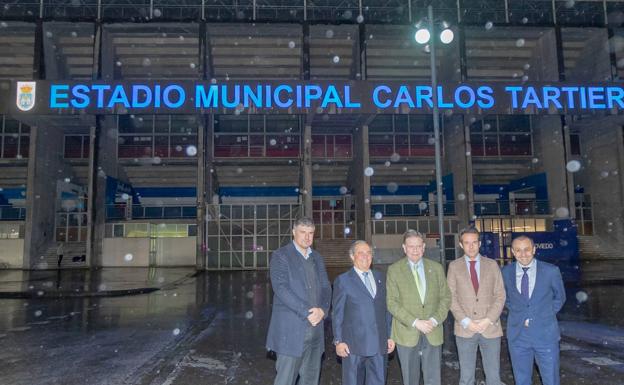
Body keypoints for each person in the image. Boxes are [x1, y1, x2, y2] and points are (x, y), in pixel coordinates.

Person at [266, 217, 331, 385]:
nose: (307, 237)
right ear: (293, 232)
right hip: (291, 332)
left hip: (316, 332)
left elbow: (326, 287)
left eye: (311, 233)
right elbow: (281, 289)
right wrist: (307, 312)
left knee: (310, 379)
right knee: (285, 380)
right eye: (303, 232)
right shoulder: (281, 256)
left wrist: (323, 310)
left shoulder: (317, 258)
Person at [386, 230, 451, 385]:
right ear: (404, 248)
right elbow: (392, 303)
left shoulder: (436, 268)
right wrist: (416, 322)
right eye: (410, 246)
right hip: (406, 332)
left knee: (433, 379)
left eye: (418, 246)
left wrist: (434, 320)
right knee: (410, 380)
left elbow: (446, 298)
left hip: (433, 331)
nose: (415, 250)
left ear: (423, 247)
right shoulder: (394, 270)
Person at [502, 235, 566, 385]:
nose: (523, 254)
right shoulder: (505, 273)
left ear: (534, 249)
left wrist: (542, 316)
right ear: (512, 252)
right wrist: (520, 314)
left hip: (545, 335)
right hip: (518, 336)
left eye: (527, 249)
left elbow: (560, 298)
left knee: (551, 379)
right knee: (521, 379)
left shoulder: (551, 271)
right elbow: (505, 298)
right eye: (518, 250)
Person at [447, 227, 506, 385]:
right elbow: (451, 298)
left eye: (474, 242)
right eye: (467, 243)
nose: (471, 246)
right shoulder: (454, 266)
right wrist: (466, 321)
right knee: (466, 378)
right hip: (465, 329)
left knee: (494, 378)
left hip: (490, 328)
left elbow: (500, 295)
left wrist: (488, 319)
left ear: (479, 243)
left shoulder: (492, 265)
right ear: (461, 245)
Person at [332, 240, 395, 385]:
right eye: (361, 253)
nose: (366, 256)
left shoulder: (381, 278)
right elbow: (337, 313)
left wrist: (390, 336)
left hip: (379, 345)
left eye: (369, 253)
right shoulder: (343, 281)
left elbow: (386, 310)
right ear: (352, 256)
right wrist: (338, 341)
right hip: (353, 346)